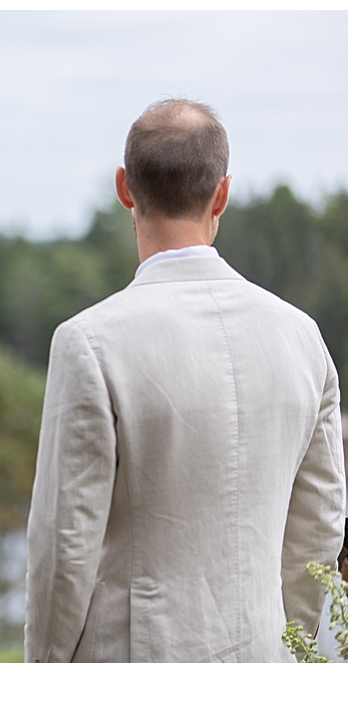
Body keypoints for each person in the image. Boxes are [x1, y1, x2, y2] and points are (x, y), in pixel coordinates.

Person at [24, 99, 346, 662]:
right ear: (222, 193)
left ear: (125, 187)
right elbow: (320, 527)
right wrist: (289, 646)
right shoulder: (302, 336)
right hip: (263, 656)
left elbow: (64, 546)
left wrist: (45, 677)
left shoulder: (89, 341)